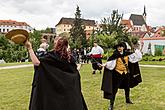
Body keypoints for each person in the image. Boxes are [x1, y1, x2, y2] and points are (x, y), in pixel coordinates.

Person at [24, 37, 88, 110]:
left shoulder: (51, 56)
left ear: (56, 45)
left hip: (55, 91)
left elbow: (36, 62)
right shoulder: (70, 58)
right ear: (66, 45)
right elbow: (74, 72)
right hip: (68, 92)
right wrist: (79, 66)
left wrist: (29, 48)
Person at [101, 42, 143, 110]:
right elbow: (110, 64)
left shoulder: (127, 54)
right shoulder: (115, 55)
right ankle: (111, 105)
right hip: (117, 74)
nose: (119, 48)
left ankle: (128, 100)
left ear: (123, 48)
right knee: (114, 90)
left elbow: (137, 58)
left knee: (127, 87)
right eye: (118, 47)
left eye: (121, 47)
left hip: (126, 73)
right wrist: (104, 65)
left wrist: (136, 49)